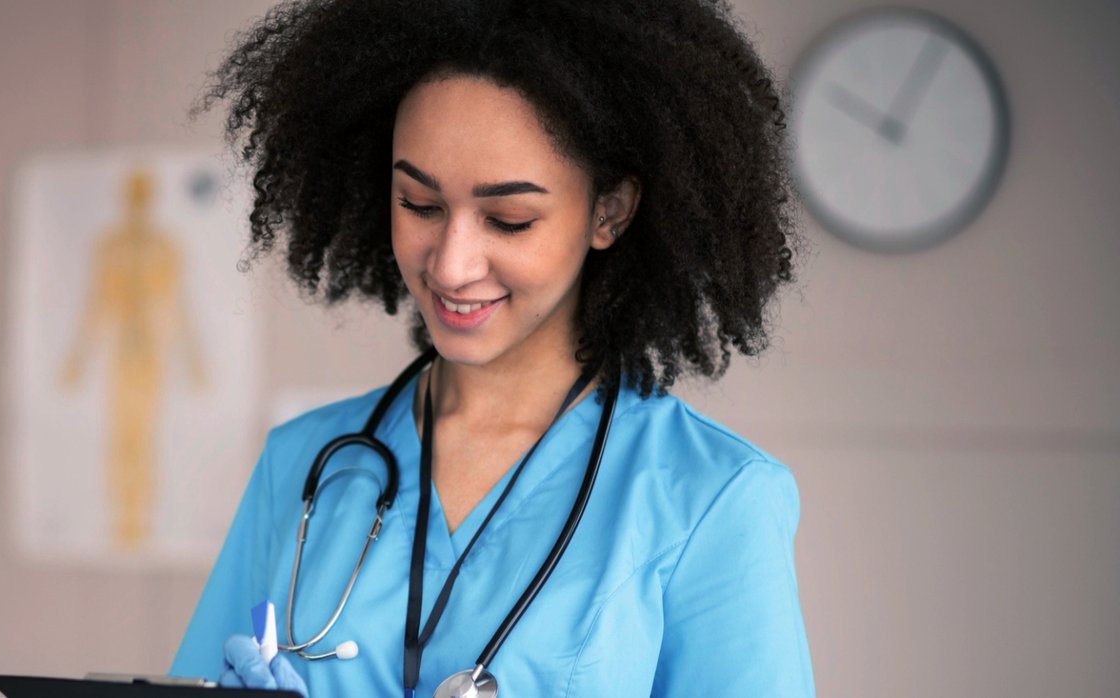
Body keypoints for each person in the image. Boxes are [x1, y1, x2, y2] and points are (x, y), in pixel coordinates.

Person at [170, 0, 814, 695]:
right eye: (420, 204)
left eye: (508, 219)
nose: (451, 266)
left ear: (609, 212)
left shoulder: (714, 498)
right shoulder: (302, 463)